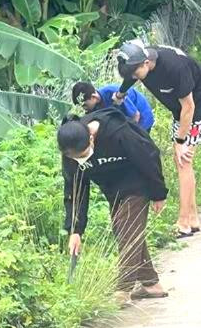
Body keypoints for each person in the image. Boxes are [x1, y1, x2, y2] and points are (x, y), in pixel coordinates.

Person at [59, 110, 167, 303]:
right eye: (77, 158)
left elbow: (149, 156)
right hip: (112, 188)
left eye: (84, 154)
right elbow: (76, 192)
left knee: (127, 231)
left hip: (138, 181)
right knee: (123, 230)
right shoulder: (70, 153)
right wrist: (75, 230)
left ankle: (122, 290)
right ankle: (151, 284)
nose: (82, 160)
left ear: (91, 138)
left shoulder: (118, 132)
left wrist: (158, 193)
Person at [117, 40, 201, 239]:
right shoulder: (142, 64)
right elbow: (130, 77)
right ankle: (193, 218)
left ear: (146, 63)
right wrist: (120, 94)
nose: (135, 78)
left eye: (136, 73)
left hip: (198, 110)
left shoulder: (174, 67)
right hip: (181, 113)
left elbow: (189, 107)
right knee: (182, 163)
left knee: (183, 161)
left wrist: (180, 142)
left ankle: (184, 222)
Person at [71, 80, 154, 132]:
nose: (84, 108)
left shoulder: (114, 93)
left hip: (142, 118)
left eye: (85, 105)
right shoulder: (94, 106)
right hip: (126, 119)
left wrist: (131, 135)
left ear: (94, 97)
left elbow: (136, 115)